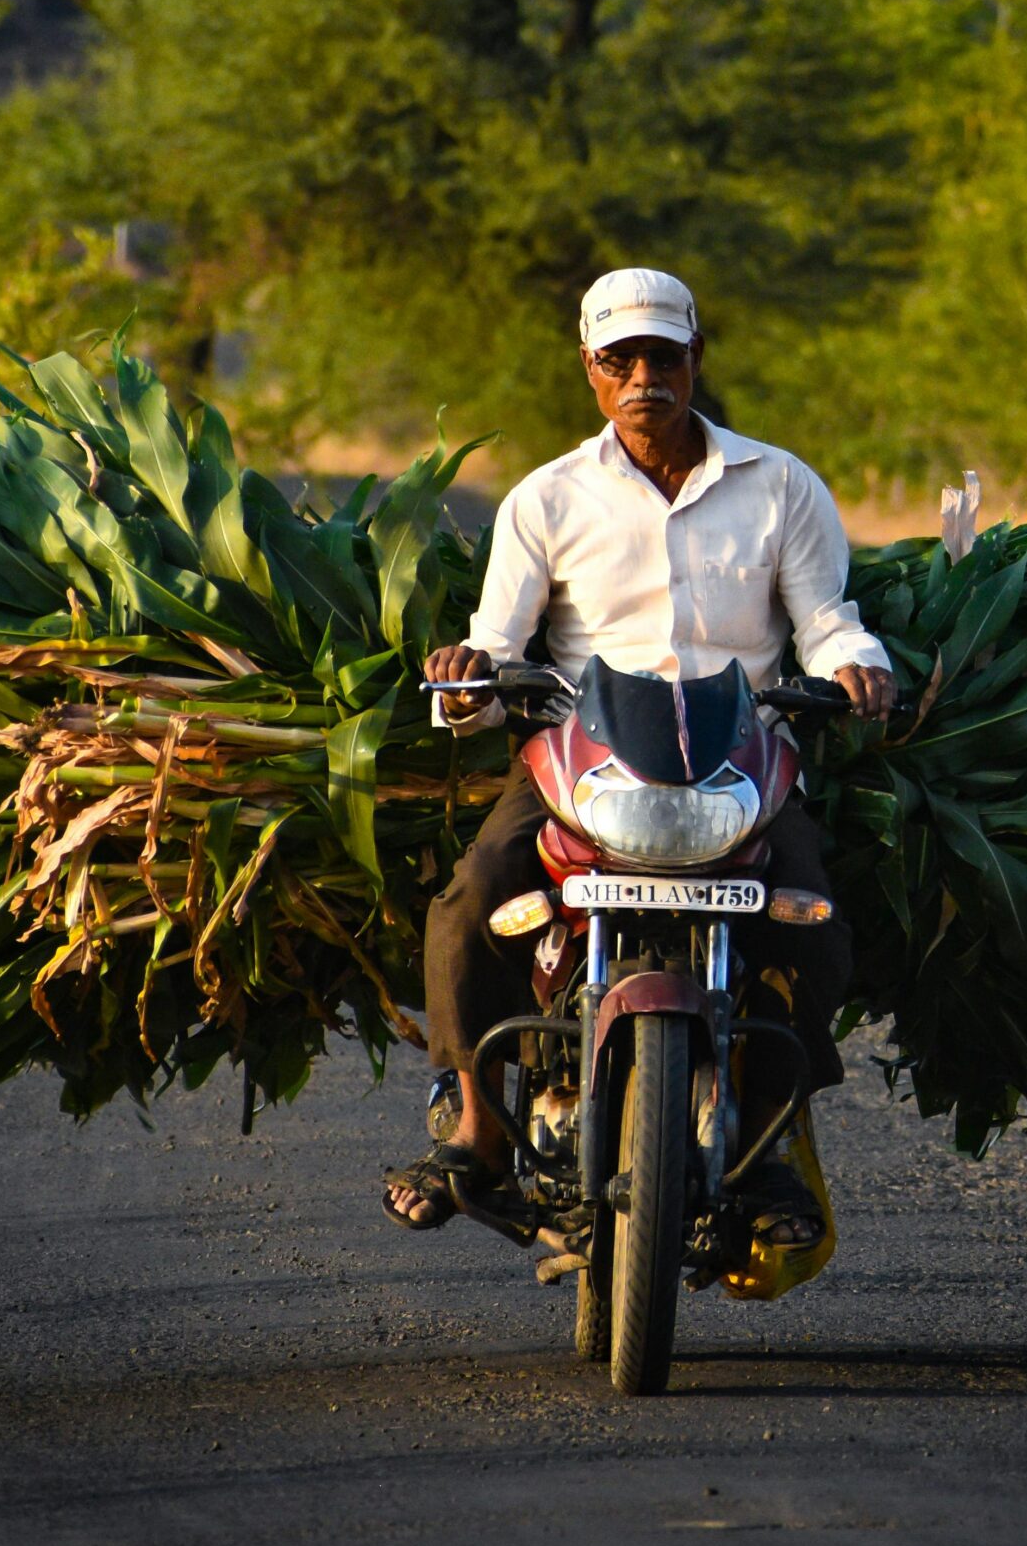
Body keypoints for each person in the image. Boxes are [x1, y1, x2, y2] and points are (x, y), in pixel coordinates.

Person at [383, 266, 898, 1248]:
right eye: (619, 358)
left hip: (740, 764)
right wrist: (467, 677)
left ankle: (778, 1142)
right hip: (586, 760)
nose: (643, 376)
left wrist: (857, 671)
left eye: (663, 355)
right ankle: (476, 1128)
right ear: (588, 368)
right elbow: (497, 642)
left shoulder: (780, 485)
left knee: (816, 920)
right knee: (468, 898)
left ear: (697, 357)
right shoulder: (548, 498)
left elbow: (828, 621)